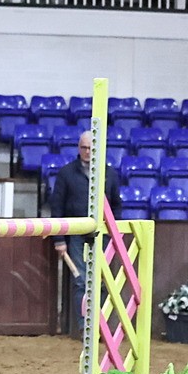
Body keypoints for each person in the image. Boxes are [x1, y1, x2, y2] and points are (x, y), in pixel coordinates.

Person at [48, 130, 121, 333]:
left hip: (103, 235)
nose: (87, 151)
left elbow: (116, 206)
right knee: (81, 280)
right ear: (78, 148)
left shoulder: (110, 174)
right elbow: (57, 207)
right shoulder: (66, 173)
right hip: (77, 234)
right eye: (84, 148)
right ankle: (85, 328)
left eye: (91, 148)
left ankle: (100, 325)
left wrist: (115, 234)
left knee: (103, 282)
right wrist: (59, 239)